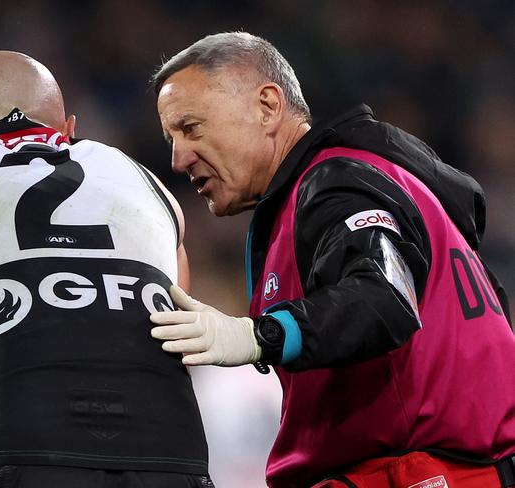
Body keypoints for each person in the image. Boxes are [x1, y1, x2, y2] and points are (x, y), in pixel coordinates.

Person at [149, 32, 515, 488]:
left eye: (191, 127)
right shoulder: (364, 179)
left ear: (267, 106)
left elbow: (385, 298)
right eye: (171, 138)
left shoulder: (334, 181)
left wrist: (258, 335)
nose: (178, 158)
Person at [0, 51, 214, 488]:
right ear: (69, 130)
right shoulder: (153, 188)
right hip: (169, 453)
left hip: (17, 449)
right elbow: (179, 344)